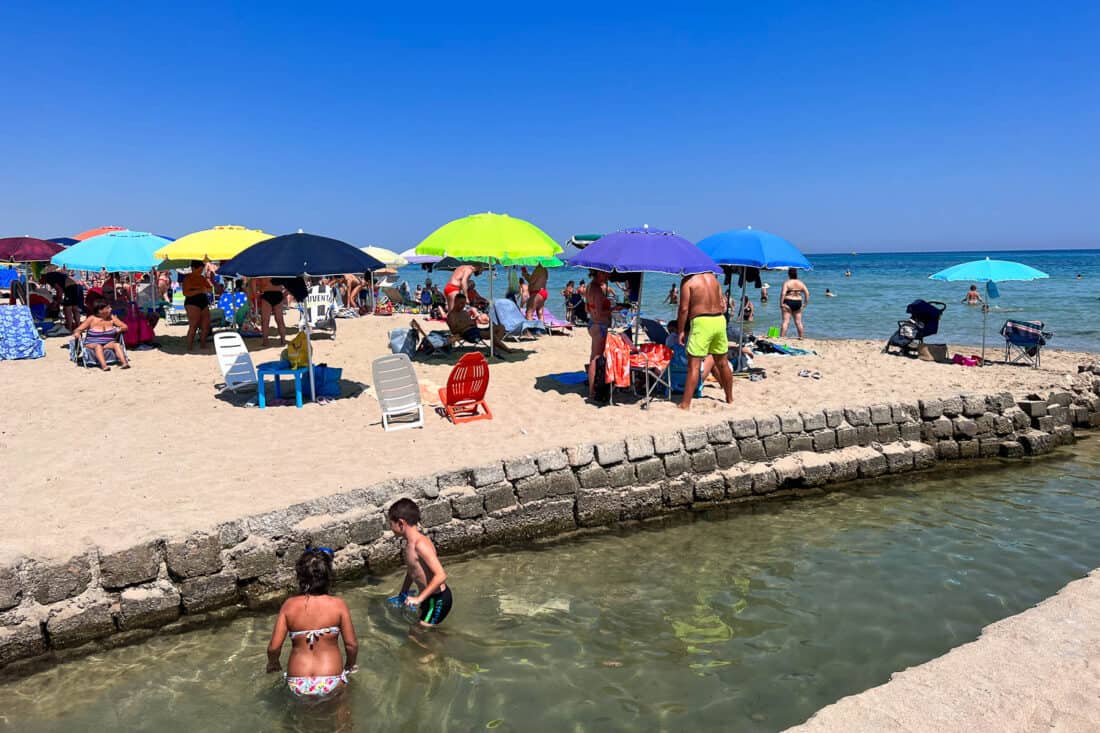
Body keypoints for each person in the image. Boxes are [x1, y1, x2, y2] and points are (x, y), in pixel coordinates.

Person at [267, 547, 359, 700]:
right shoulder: (338, 605)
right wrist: (350, 665)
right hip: (331, 677)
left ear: (300, 577)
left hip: (298, 680)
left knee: (299, 722)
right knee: (342, 719)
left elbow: (274, 647)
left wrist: (273, 663)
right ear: (328, 576)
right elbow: (351, 645)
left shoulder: (289, 605)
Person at [387, 499, 453, 627]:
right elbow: (412, 571)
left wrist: (419, 598)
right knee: (421, 633)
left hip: (438, 599)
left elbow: (441, 575)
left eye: (391, 524)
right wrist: (403, 592)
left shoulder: (420, 545)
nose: (390, 528)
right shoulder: (409, 545)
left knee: (418, 635)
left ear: (401, 523)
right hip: (427, 597)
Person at [676, 271, 733, 410]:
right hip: (719, 320)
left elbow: (683, 309)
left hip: (701, 321)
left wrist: (681, 330)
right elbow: (723, 303)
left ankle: (685, 404)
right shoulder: (714, 278)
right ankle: (730, 398)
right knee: (722, 363)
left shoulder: (688, 281)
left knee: (694, 366)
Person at [72, 299, 130, 370]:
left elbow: (125, 326)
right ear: (100, 311)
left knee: (116, 344)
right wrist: (77, 333)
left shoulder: (111, 318)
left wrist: (120, 329)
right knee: (98, 346)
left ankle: (124, 363)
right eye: (108, 308)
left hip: (107, 343)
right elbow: (78, 329)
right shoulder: (91, 319)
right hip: (92, 343)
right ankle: (104, 366)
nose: (111, 309)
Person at [446, 293, 513, 353]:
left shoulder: (465, 312)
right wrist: (466, 324)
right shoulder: (452, 315)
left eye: (463, 303)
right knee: (491, 334)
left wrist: (474, 322)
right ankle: (508, 350)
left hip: (476, 330)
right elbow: (454, 331)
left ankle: (494, 348)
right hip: (467, 334)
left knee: (501, 327)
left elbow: (473, 324)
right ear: (455, 301)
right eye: (460, 303)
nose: (462, 305)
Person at [585, 271, 612, 400]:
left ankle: (593, 386)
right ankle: (592, 391)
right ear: (596, 273)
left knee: (594, 357)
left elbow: (587, 309)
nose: (607, 276)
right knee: (596, 358)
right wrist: (613, 309)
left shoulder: (590, 287)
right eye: (604, 274)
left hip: (593, 323)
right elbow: (600, 312)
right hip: (599, 324)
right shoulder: (596, 290)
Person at [181, 260, 213, 351]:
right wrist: (200, 290)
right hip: (192, 302)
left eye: (201, 270)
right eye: (199, 270)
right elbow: (186, 293)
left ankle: (203, 345)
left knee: (206, 325)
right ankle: (189, 347)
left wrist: (207, 288)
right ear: (193, 268)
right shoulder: (187, 278)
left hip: (203, 301)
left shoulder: (202, 278)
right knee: (193, 325)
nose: (200, 271)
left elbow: (210, 289)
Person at [251, 277, 288, 347]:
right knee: (280, 320)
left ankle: (265, 342)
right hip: (278, 293)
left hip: (266, 293)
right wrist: (286, 292)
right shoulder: (279, 269)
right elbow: (289, 280)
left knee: (265, 321)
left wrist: (255, 293)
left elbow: (253, 280)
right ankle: (283, 341)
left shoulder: (263, 269)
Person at [779, 268, 810, 339]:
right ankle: (801, 337)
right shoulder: (801, 283)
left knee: (785, 321)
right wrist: (805, 303)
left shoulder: (787, 282)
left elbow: (783, 293)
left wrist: (781, 303)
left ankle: (782, 338)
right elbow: (807, 293)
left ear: (789, 274)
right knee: (798, 322)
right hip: (798, 302)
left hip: (788, 301)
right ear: (796, 274)